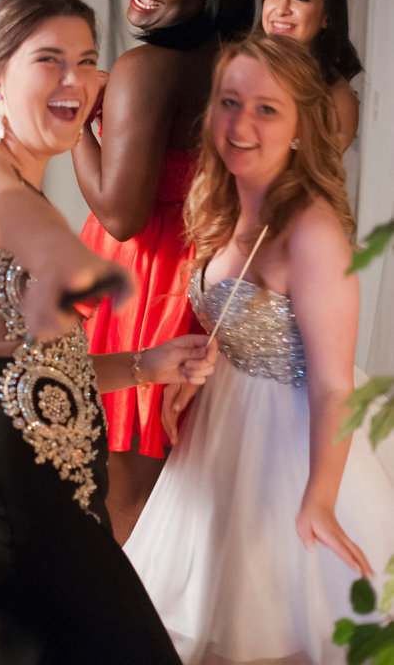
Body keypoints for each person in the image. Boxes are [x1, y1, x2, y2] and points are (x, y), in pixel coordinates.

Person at [0, 0, 217, 665]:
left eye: (87, 61)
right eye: (49, 60)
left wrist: (147, 364)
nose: (76, 79)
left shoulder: (13, 178)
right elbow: (4, 213)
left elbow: (35, 374)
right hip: (22, 517)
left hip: (49, 511)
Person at [123, 33, 394, 664]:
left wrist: (319, 498)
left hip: (288, 449)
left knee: (270, 624)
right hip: (221, 428)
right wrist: (204, 364)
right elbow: (244, 318)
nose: (240, 124)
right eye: (229, 101)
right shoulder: (227, 198)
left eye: (267, 109)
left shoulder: (312, 230)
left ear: (301, 128)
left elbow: (333, 383)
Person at [72, 0, 256, 544]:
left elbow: (121, 216)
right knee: (180, 494)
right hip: (208, 278)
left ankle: (124, 607)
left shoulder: (146, 67)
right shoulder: (237, 66)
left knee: (123, 500)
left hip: (145, 288)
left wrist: (77, 126)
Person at [260, 0, 363, 152]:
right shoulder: (238, 69)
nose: (281, 9)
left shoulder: (337, 99)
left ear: (326, 17)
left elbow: (313, 171)